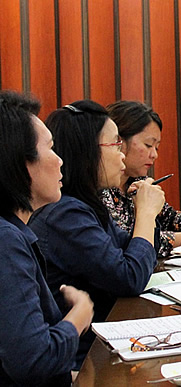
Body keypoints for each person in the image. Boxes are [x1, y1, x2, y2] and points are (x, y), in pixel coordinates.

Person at [29, 100, 165, 368]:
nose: (122, 155)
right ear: (87, 152)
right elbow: (129, 277)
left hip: (107, 345)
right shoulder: (65, 214)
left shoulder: (86, 204)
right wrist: (146, 215)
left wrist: (147, 217)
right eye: (116, 145)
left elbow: (137, 252)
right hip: (84, 360)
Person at [0, 91, 94, 386]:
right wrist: (80, 314)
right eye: (51, 148)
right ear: (21, 161)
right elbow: (33, 360)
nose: (60, 160)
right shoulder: (6, 242)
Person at [101, 100, 181, 256]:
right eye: (148, 145)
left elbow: (169, 217)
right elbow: (127, 242)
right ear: (119, 142)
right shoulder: (101, 187)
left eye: (156, 147)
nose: (154, 154)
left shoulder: (135, 181)